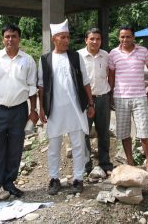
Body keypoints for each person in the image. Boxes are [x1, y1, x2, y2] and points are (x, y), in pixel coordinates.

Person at [0, 24, 38, 203]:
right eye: (7, 36)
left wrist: (33, 110)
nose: (10, 39)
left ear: (19, 38)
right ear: (2, 38)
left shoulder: (28, 60)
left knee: (15, 148)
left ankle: (9, 183)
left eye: (13, 36)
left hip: (20, 110)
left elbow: (32, 87)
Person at [38, 19, 95, 195]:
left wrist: (90, 103)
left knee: (78, 145)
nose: (66, 40)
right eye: (62, 37)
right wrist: (41, 108)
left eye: (67, 37)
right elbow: (41, 86)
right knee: (54, 146)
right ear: (54, 38)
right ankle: (54, 179)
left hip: (75, 108)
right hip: (54, 109)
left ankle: (78, 179)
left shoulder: (75, 57)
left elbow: (85, 82)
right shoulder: (45, 59)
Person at [108, 25, 148, 174]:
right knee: (124, 133)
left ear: (133, 37)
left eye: (128, 36)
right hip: (120, 97)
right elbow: (112, 77)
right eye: (122, 36)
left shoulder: (143, 51)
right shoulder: (113, 54)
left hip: (139, 96)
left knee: (144, 132)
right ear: (118, 37)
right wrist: (111, 95)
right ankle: (130, 162)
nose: (125, 39)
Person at [77, 28, 113, 175]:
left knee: (103, 132)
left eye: (98, 39)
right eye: (92, 39)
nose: (95, 41)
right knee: (83, 132)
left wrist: (110, 94)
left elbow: (110, 75)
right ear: (86, 40)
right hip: (84, 100)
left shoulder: (106, 55)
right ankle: (86, 165)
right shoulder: (78, 56)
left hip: (103, 98)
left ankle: (105, 163)